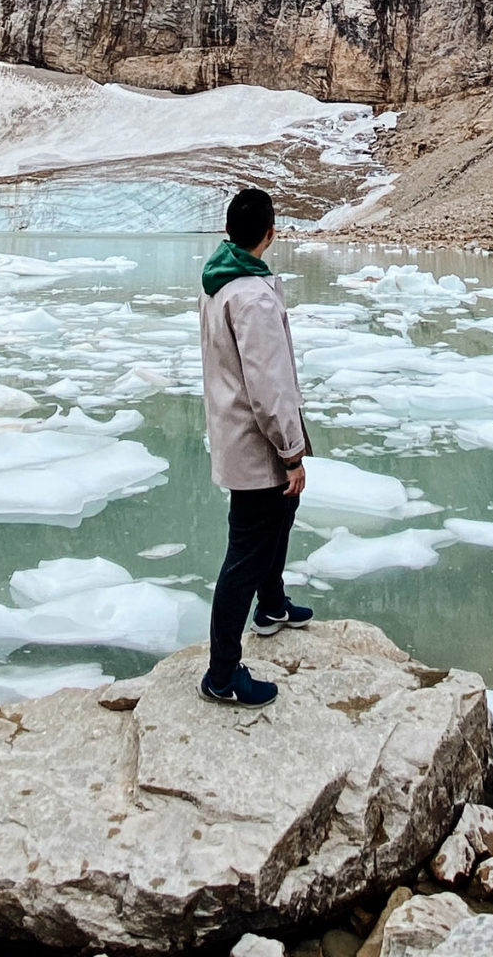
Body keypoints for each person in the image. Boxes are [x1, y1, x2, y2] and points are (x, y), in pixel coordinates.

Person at [196, 185, 312, 705]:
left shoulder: (218, 286)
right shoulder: (253, 297)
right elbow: (269, 388)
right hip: (258, 443)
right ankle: (222, 673)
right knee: (245, 551)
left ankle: (273, 604)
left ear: (229, 232)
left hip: (234, 433)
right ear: (271, 231)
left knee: (275, 522)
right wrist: (291, 451)